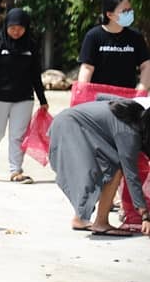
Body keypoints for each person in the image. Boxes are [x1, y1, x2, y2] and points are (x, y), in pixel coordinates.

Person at [76, 0, 150, 228]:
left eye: (130, 9)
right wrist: (81, 97)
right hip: (101, 104)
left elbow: (146, 66)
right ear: (109, 14)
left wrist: (141, 89)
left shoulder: (135, 38)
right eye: (124, 10)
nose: (129, 14)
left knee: (130, 156)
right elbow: (87, 68)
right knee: (102, 159)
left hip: (128, 106)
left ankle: (128, 210)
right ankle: (84, 213)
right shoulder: (94, 36)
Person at [49, 98, 150, 237]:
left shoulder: (134, 112)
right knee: (114, 170)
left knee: (108, 167)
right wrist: (145, 214)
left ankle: (80, 218)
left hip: (70, 122)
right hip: (70, 127)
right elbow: (131, 175)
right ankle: (101, 223)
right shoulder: (129, 134)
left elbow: (101, 98)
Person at [0, 8, 49, 183]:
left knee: (18, 135)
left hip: (24, 98)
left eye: (20, 28)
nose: (16, 31)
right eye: (12, 28)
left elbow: (35, 74)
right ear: (6, 26)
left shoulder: (31, 46)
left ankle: (16, 171)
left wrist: (42, 99)